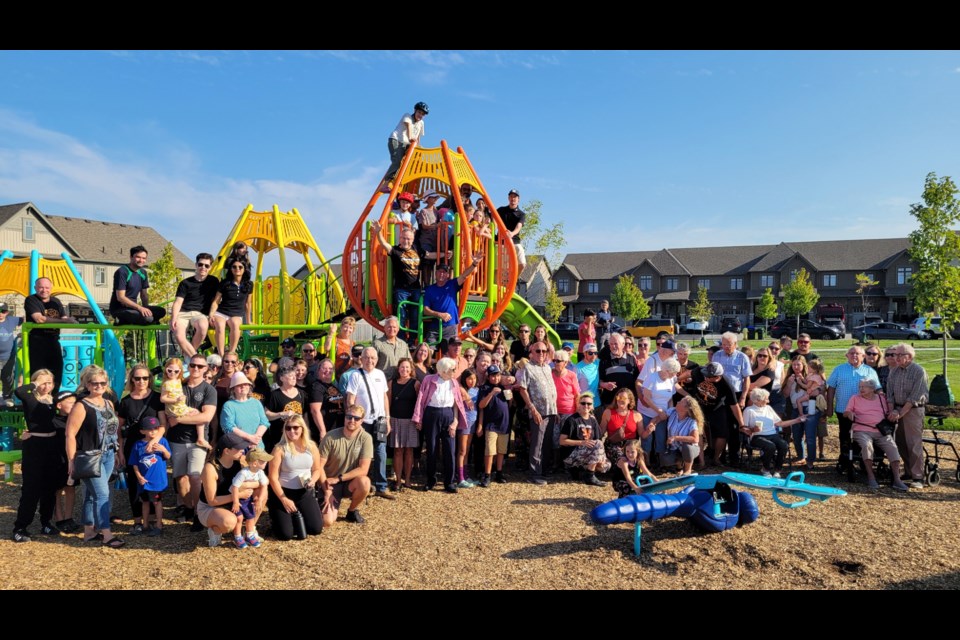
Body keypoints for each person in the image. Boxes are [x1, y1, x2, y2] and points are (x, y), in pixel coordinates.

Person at [65, 365, 124, 548]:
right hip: (89, 456)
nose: (99, 386)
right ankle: (106, 533)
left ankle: (89, 531)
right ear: (87, 384)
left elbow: (113, 431)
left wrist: (116, 452)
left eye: (102, 382)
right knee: (102, 494)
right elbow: (70, 434)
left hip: (107, 454)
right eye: (94, 383)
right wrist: (71, 461)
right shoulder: (81, 406)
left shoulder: (109, 403)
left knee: (92, 495)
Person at [164, 353, 218, 526]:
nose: (196, 369)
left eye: (200, 366)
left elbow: (206, 417)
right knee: (180, 477)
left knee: (195, 476)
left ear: (206, 369)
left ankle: (197, 512)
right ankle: (188, 507)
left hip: (197, 441)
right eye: (193, 365)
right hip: (176, 439)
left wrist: (178, 420)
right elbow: (168, 408)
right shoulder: (179, 385)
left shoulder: (209, 390)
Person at [10, 370, 61, 542]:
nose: (46, 386)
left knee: (49, 488)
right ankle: (20, 527)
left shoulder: (54, 401)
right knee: (31, 489)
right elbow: (19, 391)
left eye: (49, 383)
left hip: (52, 445)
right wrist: (35, 384)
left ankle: (46, 522)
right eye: (42, 383)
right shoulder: (31, 399)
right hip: (35, 446)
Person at [117, 364, 165, 535]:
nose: (141, 381)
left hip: (153, 447)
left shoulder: (157, 398)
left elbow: (163, 424)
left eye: (145, 378)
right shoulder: (126, 401)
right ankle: (137, 520)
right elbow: (119, 429)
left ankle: (152, 520)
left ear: (150, 379)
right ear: (132, 380)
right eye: (137, 378)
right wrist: (120, 451)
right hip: (133, 447)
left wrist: (155, 441)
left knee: (153, 482)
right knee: (134, 483)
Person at [412, 357, 469, 493]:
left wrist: (455, 422)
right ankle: (430, 480)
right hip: (431, 414)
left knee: (450, 449)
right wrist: (418, 418)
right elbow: (421, 399)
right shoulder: (429, 380)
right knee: (431, 449)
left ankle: (449, 482)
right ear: (443, 371)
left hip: (448, 414)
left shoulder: (454, 383)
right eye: (452, 369)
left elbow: (457, 403)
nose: (455, 371)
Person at [345, 347, 393, 499]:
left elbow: (385, 397)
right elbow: (350, 397)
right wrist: (352, 418)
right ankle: (358, 484)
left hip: (379, 420)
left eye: (373, 358)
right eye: (366, 357)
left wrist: (387, 417)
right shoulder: (355, 375)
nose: (369, 361)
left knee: (381, 452)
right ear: (361, 359)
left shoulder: (380, 374)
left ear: (377, 360)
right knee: (359, 453)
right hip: (362, 421)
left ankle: (381, 486)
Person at [266, 415, 323, 540]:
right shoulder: (279, 449)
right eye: (288, 428)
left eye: (295, 427)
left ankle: (296, 515)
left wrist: (313, 480)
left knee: (316, 529)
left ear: (302, 428)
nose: (292, 431)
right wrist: (284, 499)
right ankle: (279, 516)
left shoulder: (312, 447)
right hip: (283, 493)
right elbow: (272, 477)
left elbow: (317, 469)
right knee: (285, 535)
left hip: (304, 492)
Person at [845, 379, 909, 491]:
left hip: (880, 431)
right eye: (860, 387)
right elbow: (846, 412)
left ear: (872, 389)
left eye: (863, 387)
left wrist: (894, 412)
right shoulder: (855, 398)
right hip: (861, 430)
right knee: (866, 445)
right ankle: (871, 477)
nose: (861, 389)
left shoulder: (881, 398)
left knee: (892, 447)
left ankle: (897, 479)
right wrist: (850, 414)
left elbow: (889, 411)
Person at [678, 362, 746, 468]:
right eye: (705, 375)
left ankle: (716, 458)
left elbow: (734, 406)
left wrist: (741, 424)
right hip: (698, 406)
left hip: (716, 408)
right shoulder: (700, 371)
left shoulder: (726, 385)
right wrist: (676, 380)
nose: (706, 378)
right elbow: (688, 373)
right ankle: (701, 461)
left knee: (722, 433)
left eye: (709, 377)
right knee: (697, 431)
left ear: (717, 377)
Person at [826, 346, 879, 474]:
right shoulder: (839, 369)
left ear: (863, 356)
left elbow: (877, 390)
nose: (854, 355)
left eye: (857, 353)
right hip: (843, 409)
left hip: (863, 412)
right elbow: (831, 388)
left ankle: (861, 459)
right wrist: (829, 407)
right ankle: (844, 460)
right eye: (851, 353)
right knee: (844, 435)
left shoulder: (869, 371)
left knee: (861, 435)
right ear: (847, 356)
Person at [317, 405, 374, 525]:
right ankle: (320, 500)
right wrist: (327, 491)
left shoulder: (366, 438)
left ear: (362, 420)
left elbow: (363, 469)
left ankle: (352, 511)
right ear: (345, 417)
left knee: (365, 482)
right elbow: (318, 466)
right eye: (349, 417)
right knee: (327, 522)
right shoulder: (330, 436)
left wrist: (339, 479)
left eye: (356, 418)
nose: (352, 421)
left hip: (348, 482)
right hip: (329, 483)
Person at [886, 343, 929, 489]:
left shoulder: (919, 372)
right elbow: (889, 395)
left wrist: (899, 413)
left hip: (913, 410)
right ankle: (908, 471)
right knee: (900, 443)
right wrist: (892, 411)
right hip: (897, 409)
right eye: (894, 354)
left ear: (909, 357)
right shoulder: (894, 371)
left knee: (913, 443)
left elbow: (914, 397)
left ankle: (918, 476)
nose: (895, 357)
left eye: (899, 355)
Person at [515, 342, 558, 486]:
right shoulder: (528, 367)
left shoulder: (547, 367)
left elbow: (551, 390)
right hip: (538, 412)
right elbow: (523, 389)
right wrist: (532, 409)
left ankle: (543, 471)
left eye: (544, 351)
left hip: (551, 411)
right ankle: (534, 473)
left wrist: (555, 409)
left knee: (546, 443)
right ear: (531, 353)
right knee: (537, 444)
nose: (541, 353)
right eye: (538, 351)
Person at [371, 221, 423, 340]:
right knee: (402, 315)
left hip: (415, 288)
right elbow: (385, 245)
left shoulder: (416, 249)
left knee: (416, 315)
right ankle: (401, 339)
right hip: (401, 289)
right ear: (400, 238)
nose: (406, 241)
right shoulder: (396, 251)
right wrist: (378, 233)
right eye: (404, 238)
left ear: (413, 239)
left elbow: (429, 255)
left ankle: (412, 339)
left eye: (409, 239)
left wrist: (445, 254)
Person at [197, 432, 250, 547]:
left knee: (260, 496)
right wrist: (238, 496)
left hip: (230, 502)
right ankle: (215, 530)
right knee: (229, 521)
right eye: (239, 448)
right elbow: (212, 501)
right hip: (209, 507)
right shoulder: (210, 468)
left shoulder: (238, 463)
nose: (242, 450)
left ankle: (249, 531)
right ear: (227, 451)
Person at [24, 277, 76, 392]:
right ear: (35, 288)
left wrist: (71, 320)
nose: (44, 290)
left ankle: (53, 398)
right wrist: (64, 321)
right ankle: (37, 398)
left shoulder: (56, 301)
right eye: (41, 287)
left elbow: (64, 318)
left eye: (47, 287)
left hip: (53, 340)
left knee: (57, 369)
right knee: (38, 372)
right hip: (37, 341)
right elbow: (39, 319)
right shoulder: (31, 300)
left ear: (51, 288)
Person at [742, 389, 804, 478]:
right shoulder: (749, 410)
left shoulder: (768, 408)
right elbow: (744, 428)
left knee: (783, 445)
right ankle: (765, 469)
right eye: (766, 399)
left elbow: (780, 423)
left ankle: (777, 470)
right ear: (758, 400)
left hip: (772, 435)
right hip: (757, 436)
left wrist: (797, 420)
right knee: (770, 446)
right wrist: (752, 429)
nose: (768, 401)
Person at [422, 257, 483, 343]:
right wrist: (439, 314)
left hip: (450, 326)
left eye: (444, 272)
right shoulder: (430, 289)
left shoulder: (452, 284)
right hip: (435, 326)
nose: (441, 274)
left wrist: (474, 264)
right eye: (439, 271)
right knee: (429, 350)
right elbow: (425, 310)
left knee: (450, 351)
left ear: (447, 275)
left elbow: (464, 275)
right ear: (436, 273)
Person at [170, 253, 219, 357]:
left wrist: (212, 314)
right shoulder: (185, 283)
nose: (203, 267)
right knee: (179, 335)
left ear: (210, 267)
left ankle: (189, 357)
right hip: (183, 313)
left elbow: (216, 300)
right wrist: (173, 318)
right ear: (196, 265)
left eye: (206, 265)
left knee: (202, 328)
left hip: (200, 314)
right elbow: (178, 302)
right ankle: (195, 359)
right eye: (200, 264)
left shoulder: (214, 281)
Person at [130, 416, 170, 537]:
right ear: (142, 431)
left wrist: (163, 450)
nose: (153, 431)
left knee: (157, 502)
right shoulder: (138, 444)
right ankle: (145, 524)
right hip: (143, 480)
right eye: (149, 429)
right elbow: (134, 463)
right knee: (145, 502)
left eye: (155, 428)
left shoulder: (162, 441)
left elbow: (168, 456)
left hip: (157, 481)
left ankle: (159, 524)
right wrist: (138, 476)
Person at [558, 391, 609, 485]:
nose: (586, 406)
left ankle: (578, 470)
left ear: (592, 406)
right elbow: (562, 441)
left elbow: (598, 440)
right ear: (578, 405)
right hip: (571, 453)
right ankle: (589, 476)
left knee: (605, 466)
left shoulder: (593, 420)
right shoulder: (572, 420)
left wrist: (601, 458)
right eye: (583, 403)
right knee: (598, 445)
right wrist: (581, 442)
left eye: (589, 403)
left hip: (586, 452)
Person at [109, 245, 166, 325]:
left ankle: (148, 320)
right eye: (138, 257)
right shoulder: (122, 272)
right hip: (120, 309)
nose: (141, 260)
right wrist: (140, 308)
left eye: (144, 258)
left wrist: (146, 308)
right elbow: (121, 297)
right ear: (131, 257)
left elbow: (144, 295)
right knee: (148, 318)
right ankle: (121, 319)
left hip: (134, 309)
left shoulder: (143, 273)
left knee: (161, 311)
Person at [209, 257, 252, 357]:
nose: (237, 269)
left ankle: (232, 353)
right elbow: (216, 301)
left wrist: (249, 320)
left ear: (244, 269)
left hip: (236, 313)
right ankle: (221, 354)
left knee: (236, 325)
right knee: (220, 325)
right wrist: (211, 314)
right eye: (234, 267)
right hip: (222, 312)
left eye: (240, 267)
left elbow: (248, 303)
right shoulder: (225, 283)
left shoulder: (249, 284)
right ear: (231, 269)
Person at [229, 448, 271, 549]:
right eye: (263, 461)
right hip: (238, 498)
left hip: (247, 498)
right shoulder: (243, 473)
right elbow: (235, 487)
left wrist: (260, 500)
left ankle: (249, 534)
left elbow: (265, 485)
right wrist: (235, 502)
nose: (266, 462)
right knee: (239, 518)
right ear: (255, 463)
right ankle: (238, 537)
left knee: (250, 517)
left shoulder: (260, 472)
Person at [388, 358, 420, 492]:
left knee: (409, 451)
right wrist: (388, 418)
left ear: (411, 369)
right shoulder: (391, 383)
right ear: (398, 368)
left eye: (407, 367)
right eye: (402, 367)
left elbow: (419, 404)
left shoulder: (416, 383)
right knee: (397, 451)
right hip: (395, 420)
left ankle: (407, 479)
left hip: (410, 421)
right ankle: (397, 481)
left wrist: (419, 419)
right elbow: (388, 401)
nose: (404, 370)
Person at [477, 365, 511, 487]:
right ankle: (487, 474)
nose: (495, 378)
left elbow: (510, 404)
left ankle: (499, 472)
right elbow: (481, 405)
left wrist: (509, 393)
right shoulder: (484, 388)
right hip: (491, 424)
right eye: (493, 375)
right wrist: (491, 393)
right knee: (490, 450)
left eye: (497, 375)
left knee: (501, 450)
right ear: (488, 376)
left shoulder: (503, 388)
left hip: (504, 423)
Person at [784, 356, 819, 470]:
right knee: (797, 435)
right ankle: (801, 456)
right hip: (795, 408)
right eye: (794, 364)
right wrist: (789, 384)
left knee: (810, 436)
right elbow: (785, 395)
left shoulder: (810, 376)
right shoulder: (789, 377)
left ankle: (810, 460)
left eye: (798, 364)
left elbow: (814, 390)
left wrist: (802, 380)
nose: (796, 367)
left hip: (809, 408)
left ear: (804, 365)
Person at [263, 366, 309, 452]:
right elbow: (266, 414)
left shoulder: (301, 394)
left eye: (294, 375)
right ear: (282, 378)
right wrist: (281, 414)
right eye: (291, 375)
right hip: (280, 438)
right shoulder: (274, 395)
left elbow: (305, 414)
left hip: (297, 436)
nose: (294, 377)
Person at [52, 390, 79, 533]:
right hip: (57, 459)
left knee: (71, 488)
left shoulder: (75, 419)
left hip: (72, 457)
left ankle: (69, 517)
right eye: (70, 403)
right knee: (57, 490)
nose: (74, 405)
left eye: (75, 403)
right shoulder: (52, 421)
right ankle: (59, 517)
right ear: (59, 405)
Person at [222, 371, 270, 449]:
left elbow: (264, 422)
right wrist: (250, 438)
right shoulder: (228, 405)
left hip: (258, 446)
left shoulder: (256, 402)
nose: (243, 386)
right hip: (238, 449)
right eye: (239, 385)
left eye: (245, 384)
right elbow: (229, 427)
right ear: (233, 389)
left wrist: (255, 439)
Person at [385, 102, 428, 184]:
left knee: (416, 156)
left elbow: (418, 136)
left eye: (423, 114)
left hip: (408, 144)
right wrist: (411, 138)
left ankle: (417, 171)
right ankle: (387, 181)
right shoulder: (407, 116)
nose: (420, 115)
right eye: (419, 112)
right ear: (415, 110)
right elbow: (409, 127)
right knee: (397, 161)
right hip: (397, 140)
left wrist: (418, 146)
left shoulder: (421, 123)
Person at [661, 397, 704, 475]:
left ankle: (688, 470)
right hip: (675, 447)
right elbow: (660, 417)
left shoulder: (692, 421)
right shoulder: (672, 411)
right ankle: (680, 465)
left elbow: (695, 439)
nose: (677, 402)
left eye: (680, 402)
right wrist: (652, 424)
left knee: (687, 447)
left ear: (686, 409)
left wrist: (675, 437)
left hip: (689, 448)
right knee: (665, 460)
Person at [598, 333, 640, 407]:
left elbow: (637, 380)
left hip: (628, 403)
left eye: (616, 344)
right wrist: (605, 385)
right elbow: (599, 382)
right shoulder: (604, 361)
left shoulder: (631, 359)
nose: (613, 346)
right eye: (611, 344)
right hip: (610, 402)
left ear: (623, 344)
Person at [455, 369, 480, 488]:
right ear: (464, 379)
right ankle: (460, 478)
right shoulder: (461, 390)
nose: (472, 381)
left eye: (474, 378)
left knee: (467, 451)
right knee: (462, 450)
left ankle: (465, 475)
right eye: (470, 378)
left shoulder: (476, 390)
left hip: (473, 423)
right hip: (464, 423)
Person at [309, 358, 342, 437]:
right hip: (326, 432)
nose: (328, 371)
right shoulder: (317, 387)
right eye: (324, 368)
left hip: (337, 428)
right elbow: (315, 411)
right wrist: (322, 431)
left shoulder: (334, 386)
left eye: (330, 368)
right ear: (318, 371)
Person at [496, 188, 527, 272]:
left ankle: (513, 282)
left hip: (514, 241)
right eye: (511, 196)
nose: (513, 198)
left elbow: (519, 226)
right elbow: (493, 221)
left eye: (515, 197)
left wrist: (512, 233)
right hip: (501, 242)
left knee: (522, 264)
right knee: (502, 269)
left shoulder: (521, 214)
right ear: (508, 198)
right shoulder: (501, 210)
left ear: (518, 199)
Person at [373, 316, 412, 380]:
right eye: (389, 327)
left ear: (398, 329)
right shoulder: (377, 344)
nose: (392, 329)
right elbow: (371, 364)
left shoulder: (403, 344)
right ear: (384, 328)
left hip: (399, 383)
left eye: (394, 327)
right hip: (383, 382)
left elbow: (409, 362)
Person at [0, 302, 23, 403]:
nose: (0, 313)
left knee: (8, 377)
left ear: (7, 312)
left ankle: (7, 397)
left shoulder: (12, 320)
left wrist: (24, 332)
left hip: (8, 356)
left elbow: (26, 319)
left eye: (3, 311)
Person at [576, 343, 601, 408]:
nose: (593, 355)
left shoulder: (598, 363)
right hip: (585, 405)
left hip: (597, 403)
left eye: (595, 353)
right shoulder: (577, 368)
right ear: (584, 353)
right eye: (590, 353)